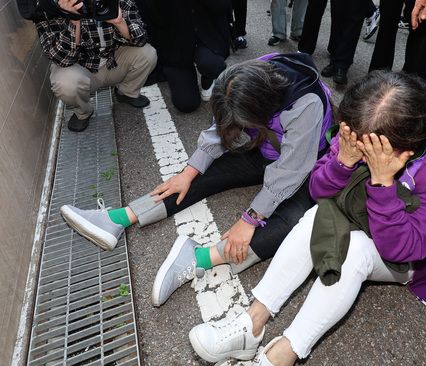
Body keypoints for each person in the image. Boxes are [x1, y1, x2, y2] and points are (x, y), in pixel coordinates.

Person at [188, 71, 426, 366]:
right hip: (354, 219)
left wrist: (384, 183)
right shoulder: (361, 132)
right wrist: (342, 162)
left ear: (406, 150)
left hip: (405, 258)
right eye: (353, 138)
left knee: (356, 250)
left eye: (366, 148)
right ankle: (251, 325)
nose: (356, 146)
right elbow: (318, 192)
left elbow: (402, 250)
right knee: (313, 218)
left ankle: (282, 356)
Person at [59, 53, 334, 306]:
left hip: (307, 163)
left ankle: (198, 258)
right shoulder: (242, 77)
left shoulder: (305, 104)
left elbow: (291, 171)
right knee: (206, 173)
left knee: (293, 222)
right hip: (265, 148)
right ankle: (117, 219)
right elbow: (220, 130)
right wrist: (188, 173)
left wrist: (250, 219)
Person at [35, 0, 157, 132]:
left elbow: (141, 40)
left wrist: (119, 23)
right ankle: (82, 112)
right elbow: (63, 60)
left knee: (147, 54)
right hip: (79, 67)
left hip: (113, 60)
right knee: (64, 83)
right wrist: (74, 20)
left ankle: (126, 92)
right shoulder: (48, 8)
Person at [135, 0, 232, 112]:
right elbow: (151, 18)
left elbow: (223, 6)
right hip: (176, 46)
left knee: (211, 65)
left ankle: (208, 78)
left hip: (207, 39)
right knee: (186, 104)